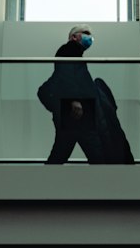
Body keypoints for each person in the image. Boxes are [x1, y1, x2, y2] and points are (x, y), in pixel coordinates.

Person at [40, 26, 104, 164]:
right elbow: (67, 74)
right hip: (77, 113)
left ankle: (44, 180)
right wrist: (74, 100)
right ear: (74, 37)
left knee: (61, 152)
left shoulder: (75, 53)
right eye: (85, 34)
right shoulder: (68, 49)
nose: (89, 38)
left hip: (74, 113)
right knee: (96, 154)